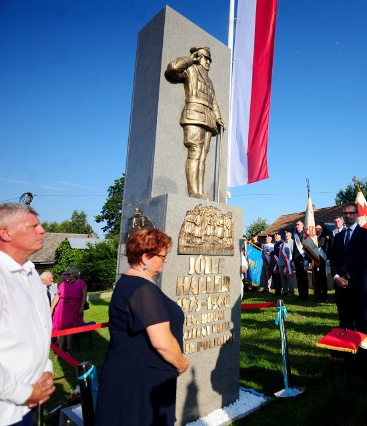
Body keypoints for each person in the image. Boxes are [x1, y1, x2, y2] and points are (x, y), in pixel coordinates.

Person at [95, 228, 189, 426]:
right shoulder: (142, 289)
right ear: (146, 257)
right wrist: (181, 363)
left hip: (138, 375)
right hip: (140, 381)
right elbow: (161, 341)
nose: (166, 260)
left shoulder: (130, 283)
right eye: (163, 256)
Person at [0, 203, 54, 425]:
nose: (42, 230)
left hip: (26, 406)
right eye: (33, 226)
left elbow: (37, 331)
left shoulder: (30, 274)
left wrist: (45, 371)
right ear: (5, 233)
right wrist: (25, 393)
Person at [165, 46, 225, 200]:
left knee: (203, 156)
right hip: (193, 114)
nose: (208, 62)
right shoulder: (190, 70)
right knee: (195, 152)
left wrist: (218, 117)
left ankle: (199, 190)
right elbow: (172, 69)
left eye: (210, 60)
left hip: (208, 118)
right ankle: (193, 191)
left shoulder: (209, 81)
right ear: (199, 57)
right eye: (206, 58)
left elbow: (214, 102)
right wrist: (190, 59)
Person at [329, 203, 367, 334]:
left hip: (358, 284)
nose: (348, 216)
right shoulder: (338, 236)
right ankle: (347, 351)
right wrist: (337, 277)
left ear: (356, 214)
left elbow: (364, 260)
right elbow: (334, 260)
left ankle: (362, 351)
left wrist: (347, 277)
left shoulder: (365, 233)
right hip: (340, 286)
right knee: (344, 320)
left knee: (360, 320)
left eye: (351, 213)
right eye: (345, 213)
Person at [51, 267, 88, 354]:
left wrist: (81, 307)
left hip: (73, 307)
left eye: (68, 274)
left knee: (69, 328)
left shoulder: (81, 283)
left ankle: (68, 347)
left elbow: (84, 296)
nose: (66, 276)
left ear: (74, 275)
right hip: (62, 307)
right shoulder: (63, 284)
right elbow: (57, 296)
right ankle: (59, 349)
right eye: (65, 274)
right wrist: (52, 307)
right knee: (60, 327)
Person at [292, 221, 310, 301]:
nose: (297, 226)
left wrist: (307, 259)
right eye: (296, 224)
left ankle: (305, 295)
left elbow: (309, 248)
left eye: (298, 224)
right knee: (298, 278)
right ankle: (300, 295)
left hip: (304, 260)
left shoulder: (306, 235)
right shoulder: (295, 235)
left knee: (304, 278)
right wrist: (292, 259)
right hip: (297, 260)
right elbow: (294, 249)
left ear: (303, 226)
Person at [315, 224, 330, 302]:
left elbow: (320, 244)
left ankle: (324, 297)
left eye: (319, 229)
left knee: (323, 280)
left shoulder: (323, 237)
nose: (318, 230)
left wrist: (312, 243)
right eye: (316, 228)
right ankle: (317, 296)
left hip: (322, 260)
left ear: (321, 230)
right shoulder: (313, 237)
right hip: (314, 260)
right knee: (316, 280)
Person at [280, 230, 295, 296]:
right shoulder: (283, 243)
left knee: (289, 278)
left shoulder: (292, 242)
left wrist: (291, 262)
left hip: (288, 263)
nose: (286, 235)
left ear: (291, 235)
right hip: (281, 263)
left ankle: (291, 291)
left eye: (287, 234)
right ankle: (284, 291)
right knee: (283, 278)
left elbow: (293, 253)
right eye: (285, 234)